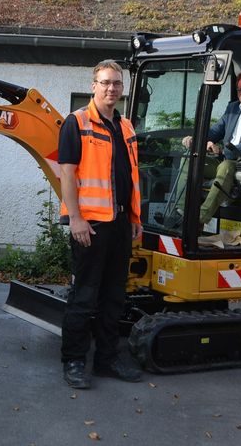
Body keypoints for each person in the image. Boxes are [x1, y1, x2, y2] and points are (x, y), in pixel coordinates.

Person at [57, 60, 144, 389]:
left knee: (114, 297)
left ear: (122, 89)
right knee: (85, 296)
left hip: (121, 223)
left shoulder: (127, 127)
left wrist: (135, 218)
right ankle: (74, 361)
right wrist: (75, 218)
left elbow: (132, 177)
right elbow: (67, 173)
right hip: (90, 225)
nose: (111, 88)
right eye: (105, 82)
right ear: (93, 85)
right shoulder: (76, 123)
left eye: (117, 84)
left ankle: (107, 359)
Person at [180, 71, 241, 226]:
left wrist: (222, 150)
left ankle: (198, 220)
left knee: (226, 166)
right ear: (238, 92)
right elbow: (215, 131)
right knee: (190, 159)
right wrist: (196, 139)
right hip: (224, 160)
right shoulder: (232, 109)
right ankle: (181, 211)